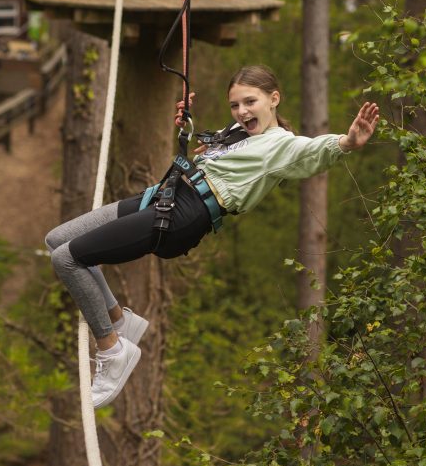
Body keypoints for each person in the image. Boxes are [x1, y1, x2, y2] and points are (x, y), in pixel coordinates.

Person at [45, 65, 380, 408]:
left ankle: (111, 349)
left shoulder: (279, 146)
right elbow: (210, 153)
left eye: (250, 102)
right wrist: (188, 123)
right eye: (235, 105)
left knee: (67, 259)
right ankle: (119, 320)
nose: (242, 112)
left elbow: (311, 152)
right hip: (166, 193)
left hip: (185, 215)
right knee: (57, 241)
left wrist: (346, 142)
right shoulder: (237, 132)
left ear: (274, 100)